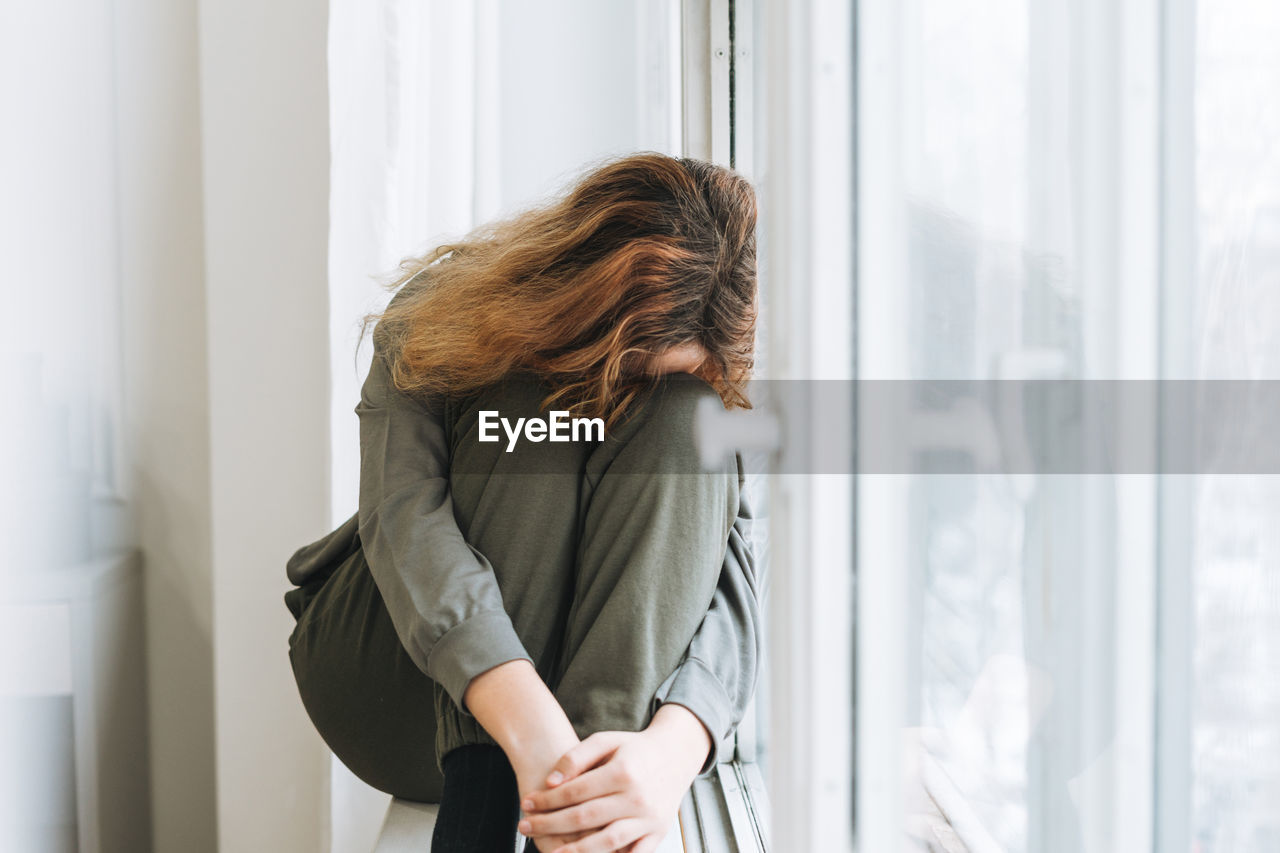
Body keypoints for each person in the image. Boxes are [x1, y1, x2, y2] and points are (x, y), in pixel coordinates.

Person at [283, 152, 762, 853]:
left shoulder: (703, 367)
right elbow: (404, 518)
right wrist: (535, 732)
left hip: (586, 715)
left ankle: (586, 813)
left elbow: (734, 573)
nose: (623, 394)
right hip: (393, 676)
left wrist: (671, 748)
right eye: (619, 365)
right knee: (522, 408)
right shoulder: (437, 307)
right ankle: (502, 809)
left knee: (689, 421)